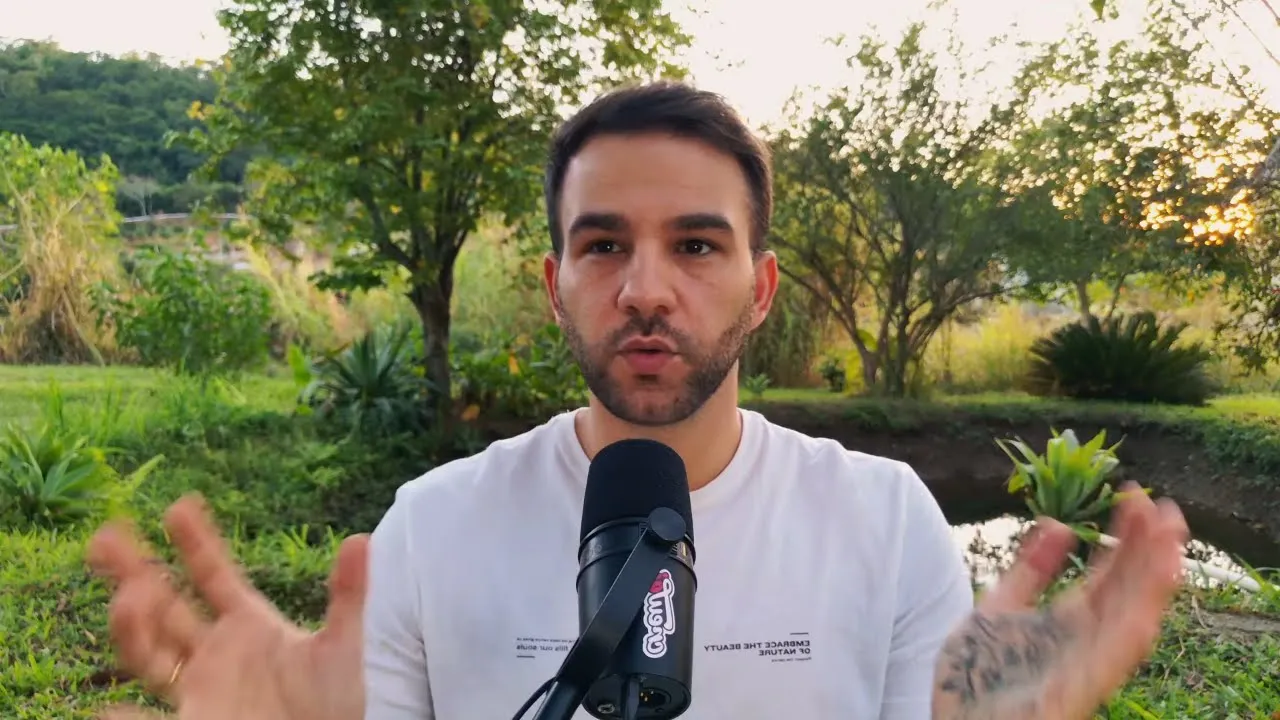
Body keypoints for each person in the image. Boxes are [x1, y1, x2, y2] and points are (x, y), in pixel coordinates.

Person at [89, 81, 1190, 720]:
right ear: (555, 283)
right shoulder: (433, 525)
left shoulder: (883, 516)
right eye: (603, 244)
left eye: (697, 245)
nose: (647, 289)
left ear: (761, 288)